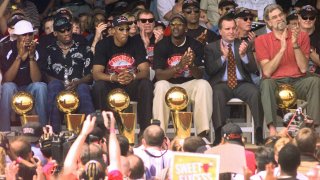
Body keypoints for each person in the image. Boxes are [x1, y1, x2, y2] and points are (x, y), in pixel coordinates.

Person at [255, 4, 320, 136]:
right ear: (268, 22)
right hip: (275, 82)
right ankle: (273, 132)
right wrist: (283, 48)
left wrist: (295, 45)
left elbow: (303, 68)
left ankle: (312, 130)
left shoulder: (302, 36)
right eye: (274, 17)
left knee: (315, 81)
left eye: (280, 15)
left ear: (285, 16)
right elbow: (267, 72)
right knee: (266, 83)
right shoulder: (261, 40)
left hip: (298, 80)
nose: (279, 19)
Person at [204, 15, 263, 145]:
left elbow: (253, 69)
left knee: (255, 92)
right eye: (227, 29)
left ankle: (259, 133)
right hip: (221, 84)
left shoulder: (243, 45)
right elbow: (209, 70)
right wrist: (223, 58)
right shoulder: (211, 47)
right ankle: (219, 135)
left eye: (233, 28)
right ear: (220, 31)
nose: (231, 31)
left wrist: (243, 56)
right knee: (217, 94)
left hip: (242, 83)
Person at [153, 14, 212, 137]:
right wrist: (179, 66)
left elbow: (200, 74)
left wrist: (190, 65)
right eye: (173, 24)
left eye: (179, 24)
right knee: (160, 86)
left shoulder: (195, 45)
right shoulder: (161, 45)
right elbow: (159, 75)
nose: (175, 27)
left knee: (204, 85)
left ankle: (202, 133)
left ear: (185, 28)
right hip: (168, 84)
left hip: (188, 85)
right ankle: (159, 134)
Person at [92, 15, 153, 134]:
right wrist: (113, 77)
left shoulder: (136, 42)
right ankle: (104, 130)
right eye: (121, 29)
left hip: (130, 84)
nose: (125, 32)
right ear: (113, 30)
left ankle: (145, 131)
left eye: (127, 29)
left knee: (146, 84)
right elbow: (96, 73)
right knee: (99, 86)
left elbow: (145, 71)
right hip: (112, 85)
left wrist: (133, 76)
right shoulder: (103, 44)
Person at [40, 16, 95, 133]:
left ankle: (92, 132)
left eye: (68, 29)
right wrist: (60, 83)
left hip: (79, 85)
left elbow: (90, 74)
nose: (67, 33)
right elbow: (45, 73)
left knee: (83, 88)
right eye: (62, 31)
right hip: (58, 87)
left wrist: (78, 82)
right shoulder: (49, 50)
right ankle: (53, 132)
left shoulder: (84, 48)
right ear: (55, 33)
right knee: (54, 85)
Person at [0, 20, 47, 131]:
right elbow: (6, 79)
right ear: (17, 36)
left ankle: (44, 130)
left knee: (41, 86)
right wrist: (19, 57)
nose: (27, 37)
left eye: (30, 34)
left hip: (30, 89)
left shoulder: (38, 49)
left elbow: (37, 80)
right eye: (23, 35)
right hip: (14, 89)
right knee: (7, 87)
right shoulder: (7, 48)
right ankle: (4, 132)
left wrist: (31, 57)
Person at [298, 5, 320, 74]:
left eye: (311, 17)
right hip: (294, 76)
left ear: (315, 19)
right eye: (304, 17)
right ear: (299, 18)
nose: (308, 20)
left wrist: (308, 48)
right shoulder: (291, 35)